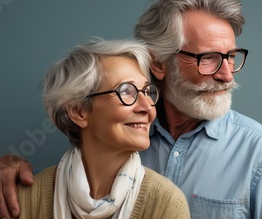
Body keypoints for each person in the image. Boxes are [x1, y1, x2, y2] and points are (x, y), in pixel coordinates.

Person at [0, 0, 262, 218]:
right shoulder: (119, 133)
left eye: (231, 56)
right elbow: (68, 189)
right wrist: (9, 167)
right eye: (208, 58)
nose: (227, 74)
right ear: (159, 62)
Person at [10, 38, 190, 218]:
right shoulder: (24, 199)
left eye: (146, 91)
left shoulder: (166, 203)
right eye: (126, 91)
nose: (147, 106)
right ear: (78, 111)